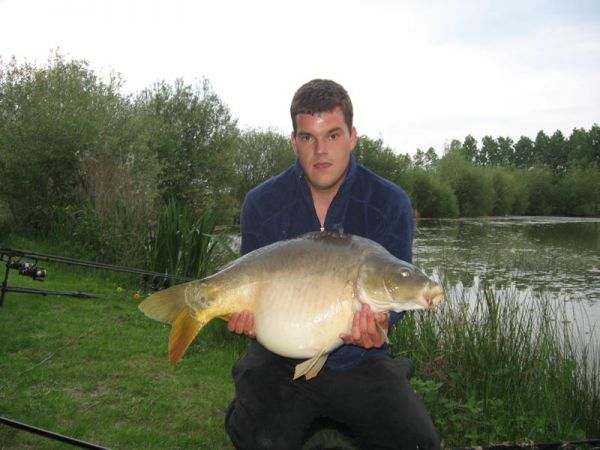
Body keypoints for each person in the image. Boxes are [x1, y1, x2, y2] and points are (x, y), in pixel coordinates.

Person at [224, 79, 439, 450]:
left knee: (417, 442)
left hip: (361, 360)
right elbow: (250, 289)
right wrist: (248, 320)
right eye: (308, 137)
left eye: (333, 135)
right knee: (257, 438)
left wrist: (383, 325)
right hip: (279, 358)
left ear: (352, 137)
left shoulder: (391, 203)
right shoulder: (261, 203)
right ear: (294, 141)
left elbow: (395, 293)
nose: (320, 150)